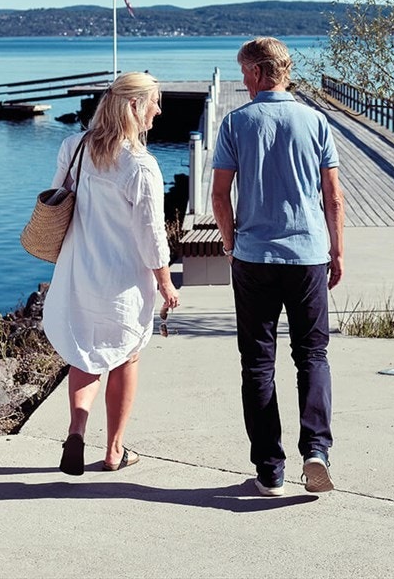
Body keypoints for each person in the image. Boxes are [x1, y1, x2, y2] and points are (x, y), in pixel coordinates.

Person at [211, 37, 344, 497]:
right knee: (312, 355)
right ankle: (317, 451)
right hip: (308, 255)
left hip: (254, 258)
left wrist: (231, 244)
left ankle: (270, 470)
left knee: (257, 365)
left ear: (255, 72)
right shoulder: (315, 121)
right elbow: (334, 197)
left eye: (241, 71)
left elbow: (218, 195)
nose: (240, 78)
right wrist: (338, 251)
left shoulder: (236, 123)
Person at [42, 71, 179, 475]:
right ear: (135, 106)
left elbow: (56, 199)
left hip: (79, 269)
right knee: (126, 356)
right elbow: (151, 234)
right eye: (154, 101)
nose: (159, 109)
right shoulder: (140, 165)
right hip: (122, 279)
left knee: (84, 351)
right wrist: (166, 281)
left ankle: (76, 431)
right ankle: (115, 450)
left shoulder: (75, 146)